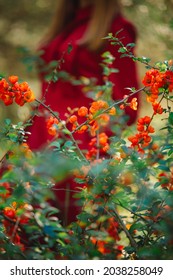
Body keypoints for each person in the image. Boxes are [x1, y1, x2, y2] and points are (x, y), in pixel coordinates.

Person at [27, 0, 140, 225]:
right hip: (38, 138)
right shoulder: (67, 23)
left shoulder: (116, 28)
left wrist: (90, 147)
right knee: (23, 225)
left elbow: (127, 104)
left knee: (65, 232)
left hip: (76, 148)